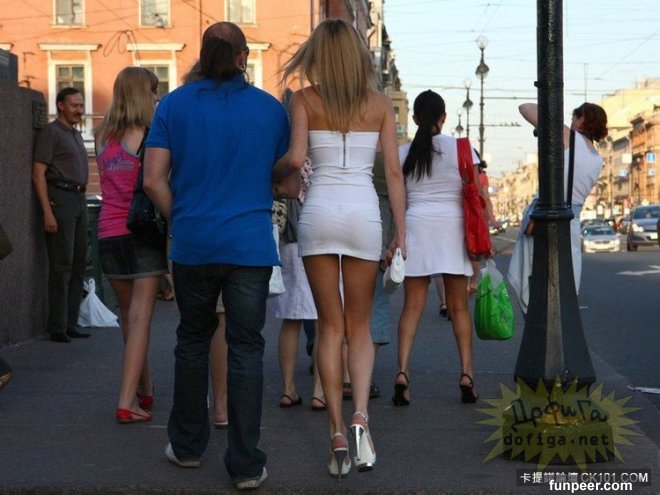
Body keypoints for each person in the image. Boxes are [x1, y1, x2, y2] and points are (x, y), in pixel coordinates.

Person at [143, 22, 293, 491]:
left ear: (203, 54)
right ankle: (246, 465)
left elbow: (152, 179)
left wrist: (182, 218)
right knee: (246, 348)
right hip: (249, 246)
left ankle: (188, 447)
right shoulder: (270, 110)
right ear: (243, 57)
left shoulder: (173, 104)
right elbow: (287, 178)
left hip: (194, 244)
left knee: (192, 340)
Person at [277, 19, 407, 478]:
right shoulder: (378, 104)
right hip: (363, 214)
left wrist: (273, 172)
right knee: (359, 326)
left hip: (318, 213)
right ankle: (360, 418)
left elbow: (296, 160)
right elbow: (394, 173)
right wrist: (401, 232)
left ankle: (335, 433)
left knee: (329, 327)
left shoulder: (304, 100)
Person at [393, 90, 480, 407]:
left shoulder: (402, 153)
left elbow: (398, 199)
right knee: (459, 308)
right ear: (443, 118)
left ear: (415, 118)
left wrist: (398, 237)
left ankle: (402, 372)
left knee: (412, 307)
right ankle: (466, 374)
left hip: (416, 227)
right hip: (452, 231)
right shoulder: (462, 148)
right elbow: (476, 194)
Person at [94, 66, 168, 423]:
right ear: (142, 94)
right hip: (141, 232)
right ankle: (126, 402)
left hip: (107, 233)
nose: (157, 97)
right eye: (153, 91)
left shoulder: (101, 135)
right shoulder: (150, 135)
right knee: (140, 319)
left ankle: (144, 386)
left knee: (129, 317)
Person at [507, 102, 607, 313]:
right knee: (563, 285)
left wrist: (553, 116)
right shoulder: (597, 159)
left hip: (545, 217)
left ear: (581, 121)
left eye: (573, 118)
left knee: (534, 284)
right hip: (572, 222)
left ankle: (537, 328)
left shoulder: (570, 138)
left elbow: (525, 108)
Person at [33, 87, 91, 343]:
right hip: (61, 198)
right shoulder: (51, 132)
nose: (79, 110)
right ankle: (57, 326)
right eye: (74, 105)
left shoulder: (76, 134)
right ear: (60, 106)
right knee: (62, 265)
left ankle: (71, 322)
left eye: (81, 105)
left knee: (79, 263)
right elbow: (38, 174)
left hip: (79, 198)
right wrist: (48, 211)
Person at [272, 160, 324, 409]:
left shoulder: (286, 153)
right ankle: (319, 391)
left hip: (289, 233)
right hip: (319, 233)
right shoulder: (319, 154)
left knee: (290, 318)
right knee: (323, 318)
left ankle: (288, 389)